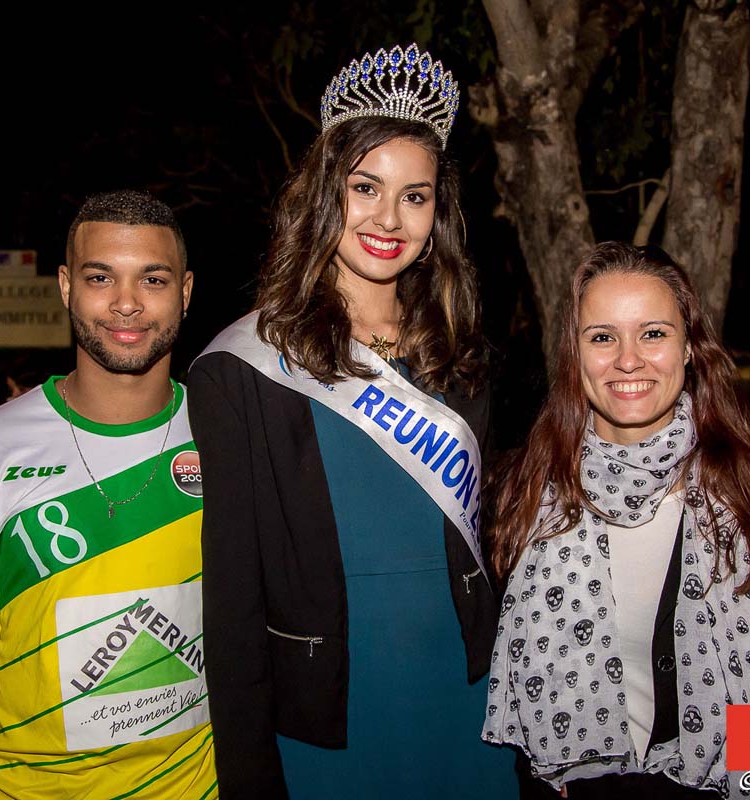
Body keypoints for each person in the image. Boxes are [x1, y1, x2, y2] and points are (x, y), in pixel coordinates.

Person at [189, 42, 515, 799]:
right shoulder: (241, 369)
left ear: (438, 215)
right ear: (321, 193)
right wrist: (246, 775)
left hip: (468, 697)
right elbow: (231, 605)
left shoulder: (460, 359)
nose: (388, 218)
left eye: (415, 195)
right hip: (330, 711)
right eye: (364, 186)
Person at [0, 190, 214, 799]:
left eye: (154, 279)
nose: (126, 303)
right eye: (99, 277)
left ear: (186, 292)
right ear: (65, 286)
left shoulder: (231, 439)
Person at [482, 243, 750, 799]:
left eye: (654, 333)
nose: (628, 359)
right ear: (576, 354)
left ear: (688, 349)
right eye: (603, 336)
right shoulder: (526, 497)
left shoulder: (749, 501)